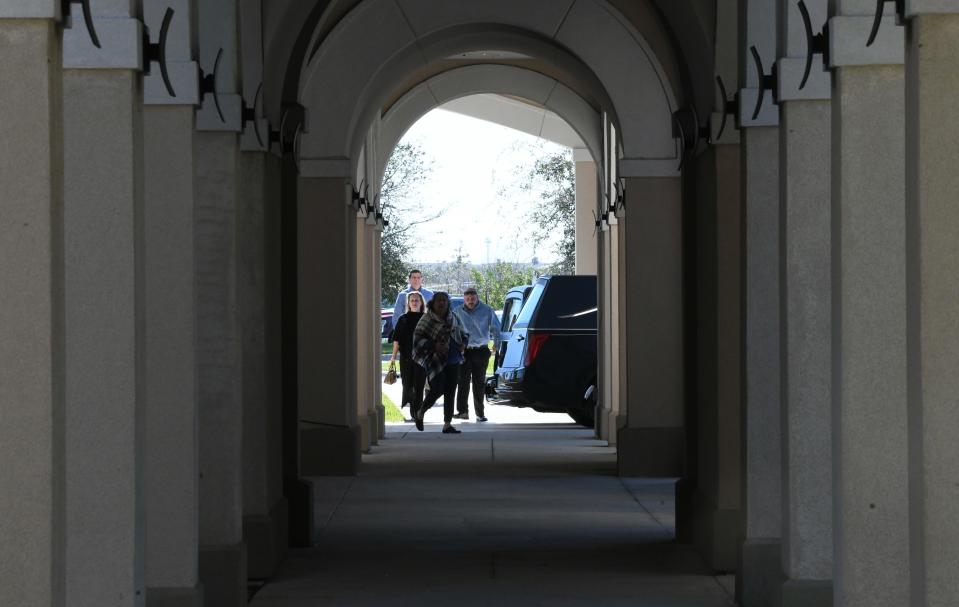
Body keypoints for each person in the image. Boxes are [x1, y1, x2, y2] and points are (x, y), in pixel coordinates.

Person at [412, 292, 467, 434]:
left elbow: (463, 332)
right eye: (438, 301)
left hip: (453, 357)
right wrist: (434, 345)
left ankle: (447, 424)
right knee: (438, 388)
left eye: (444, 300)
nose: (442, 303)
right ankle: (421, 411)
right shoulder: (426, 318)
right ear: (433, 303)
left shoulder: (453, 317)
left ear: (448, 303)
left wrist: (463, 344)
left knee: (450, 390)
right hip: (435, 360)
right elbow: (417, 340)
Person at [452, 287, 500, 422]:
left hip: (481, 350)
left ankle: (480, 414)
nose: (470, 301)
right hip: (464, 351)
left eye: (472, 299)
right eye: (467, 299)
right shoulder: (457, 312)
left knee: (479, 383)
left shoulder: (487, 310)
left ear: (477, 298)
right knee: (462, 382)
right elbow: (452, 330)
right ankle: (462, 412)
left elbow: (496, 327)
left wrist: (497, 344)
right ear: (464, 299)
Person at [388, 291, 426, 419]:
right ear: (408, 304)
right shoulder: (402, 319)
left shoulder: (426, 319)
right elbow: (396, 340)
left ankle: (417, 411)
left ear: (421, 303)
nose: (414, 302)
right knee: (408, 384)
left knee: (419, 385)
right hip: (406, 358)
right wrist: (393, 357)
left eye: (417, 300)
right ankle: (412, 409)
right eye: (412, 300)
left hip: (422, 359)